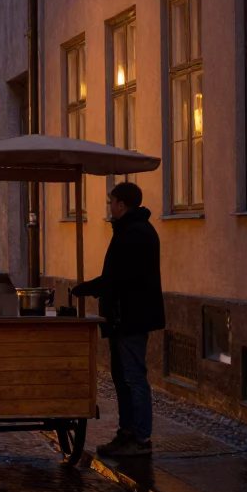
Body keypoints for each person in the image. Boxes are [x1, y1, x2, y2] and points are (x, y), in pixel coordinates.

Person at [69, 180, 165, 456]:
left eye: (112, 201)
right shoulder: (129, 229)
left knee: (133, 376)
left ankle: (140, 438)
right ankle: (127, 432)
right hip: (123, 315)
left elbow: (121, 277)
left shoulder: (136, 233)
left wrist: (89, 288)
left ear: (122, 204)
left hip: (131, 316)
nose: (109, 206)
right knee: (122, 376)